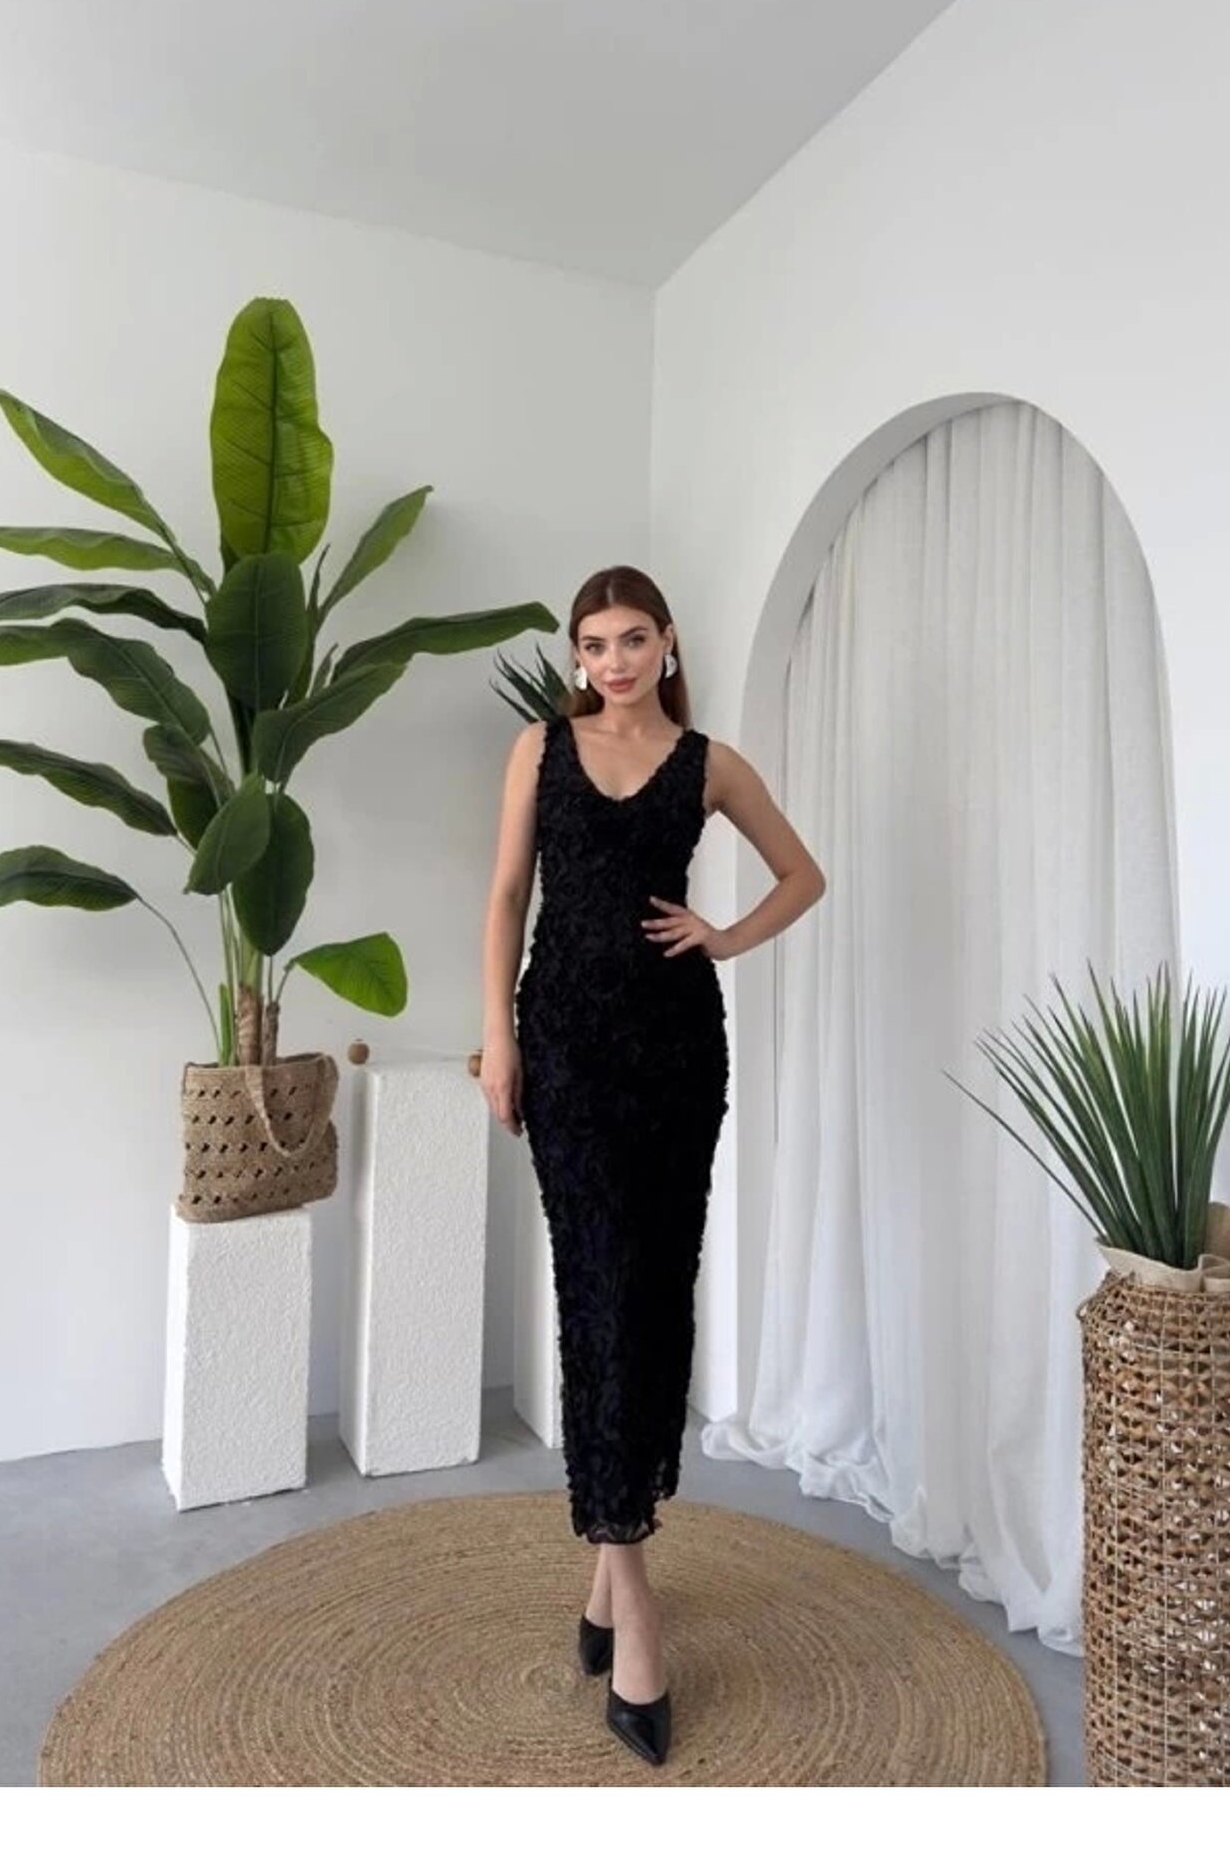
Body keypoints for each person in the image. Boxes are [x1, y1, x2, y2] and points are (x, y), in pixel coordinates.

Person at [479, 564, 825, 1766]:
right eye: (594, 643)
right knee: (597, 1300)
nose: (614, 661)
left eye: (633, 639)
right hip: (567, 1051)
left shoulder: (709, 764)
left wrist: (721, 938)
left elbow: (803, 874)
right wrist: (497, 1040)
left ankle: (603, 1574)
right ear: (576, 657)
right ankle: (634, 1605)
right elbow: (507, 895)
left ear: (666, 643)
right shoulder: (540, 750)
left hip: (676, 1057)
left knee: (654, 1300)